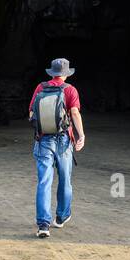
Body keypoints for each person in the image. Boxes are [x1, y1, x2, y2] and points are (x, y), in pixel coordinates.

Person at [28, 58, 85, 238]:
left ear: (51, 73)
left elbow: (31, 113)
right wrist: (81, 135)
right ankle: (61, 217)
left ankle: (43, 224)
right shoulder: (70, 90)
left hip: (43, 140)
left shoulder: (41, 88)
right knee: (65, 178)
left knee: (44, 181)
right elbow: (74, 112)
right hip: (63, 141)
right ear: (66, 74)